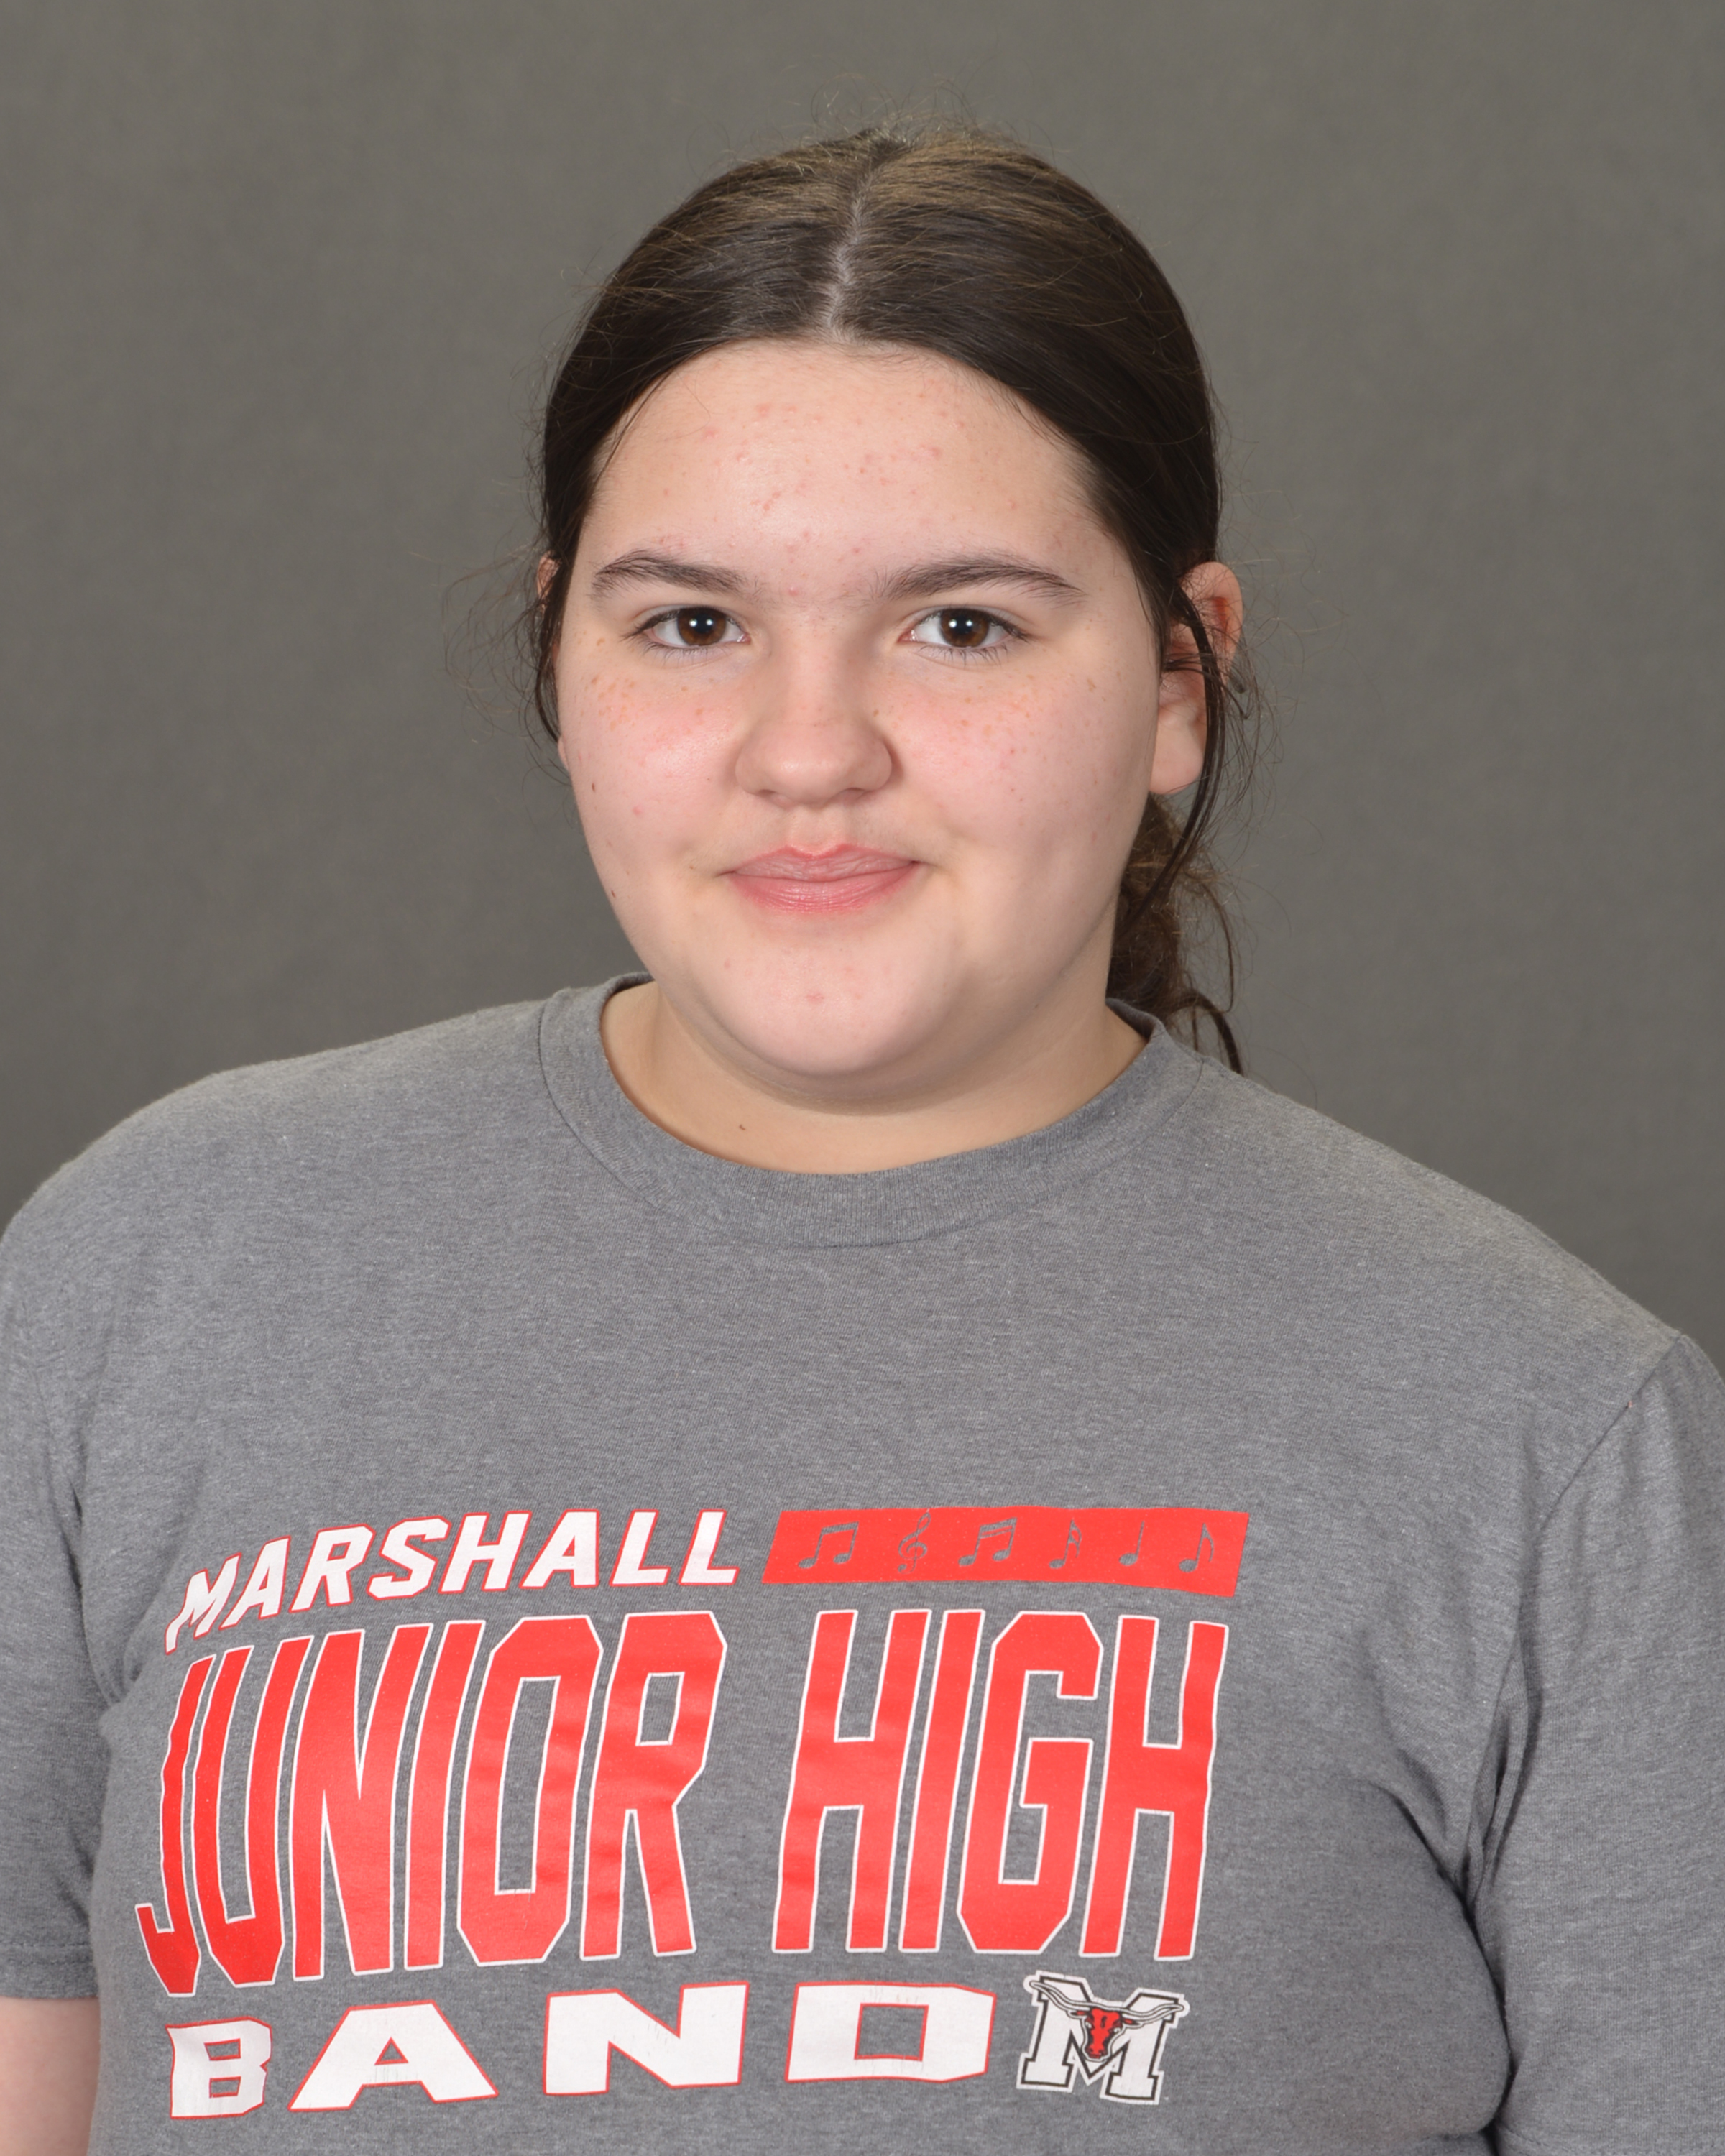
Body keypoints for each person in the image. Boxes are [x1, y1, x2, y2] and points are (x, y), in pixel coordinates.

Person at [0, 124, 1719, 2156]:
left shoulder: (1547, 1441)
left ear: (1180, 681)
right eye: (691, 625)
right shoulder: (147, 1286)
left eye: (961, 624)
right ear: (558, 657)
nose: (810, 752)